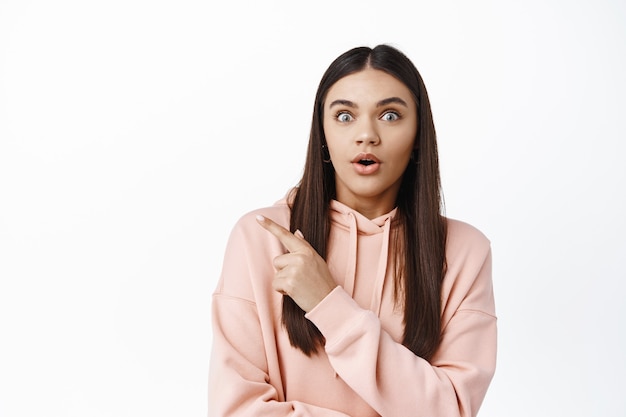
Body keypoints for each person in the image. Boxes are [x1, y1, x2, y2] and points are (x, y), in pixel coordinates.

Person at [208, 44, 496, 417]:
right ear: (322, 134)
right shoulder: (262, 237)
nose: (366, 135)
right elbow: (237, 410)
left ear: (418, 136)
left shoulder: (463, 251)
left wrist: (329, 303)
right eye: (344, 116)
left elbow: (450, 409)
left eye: (390, 115)